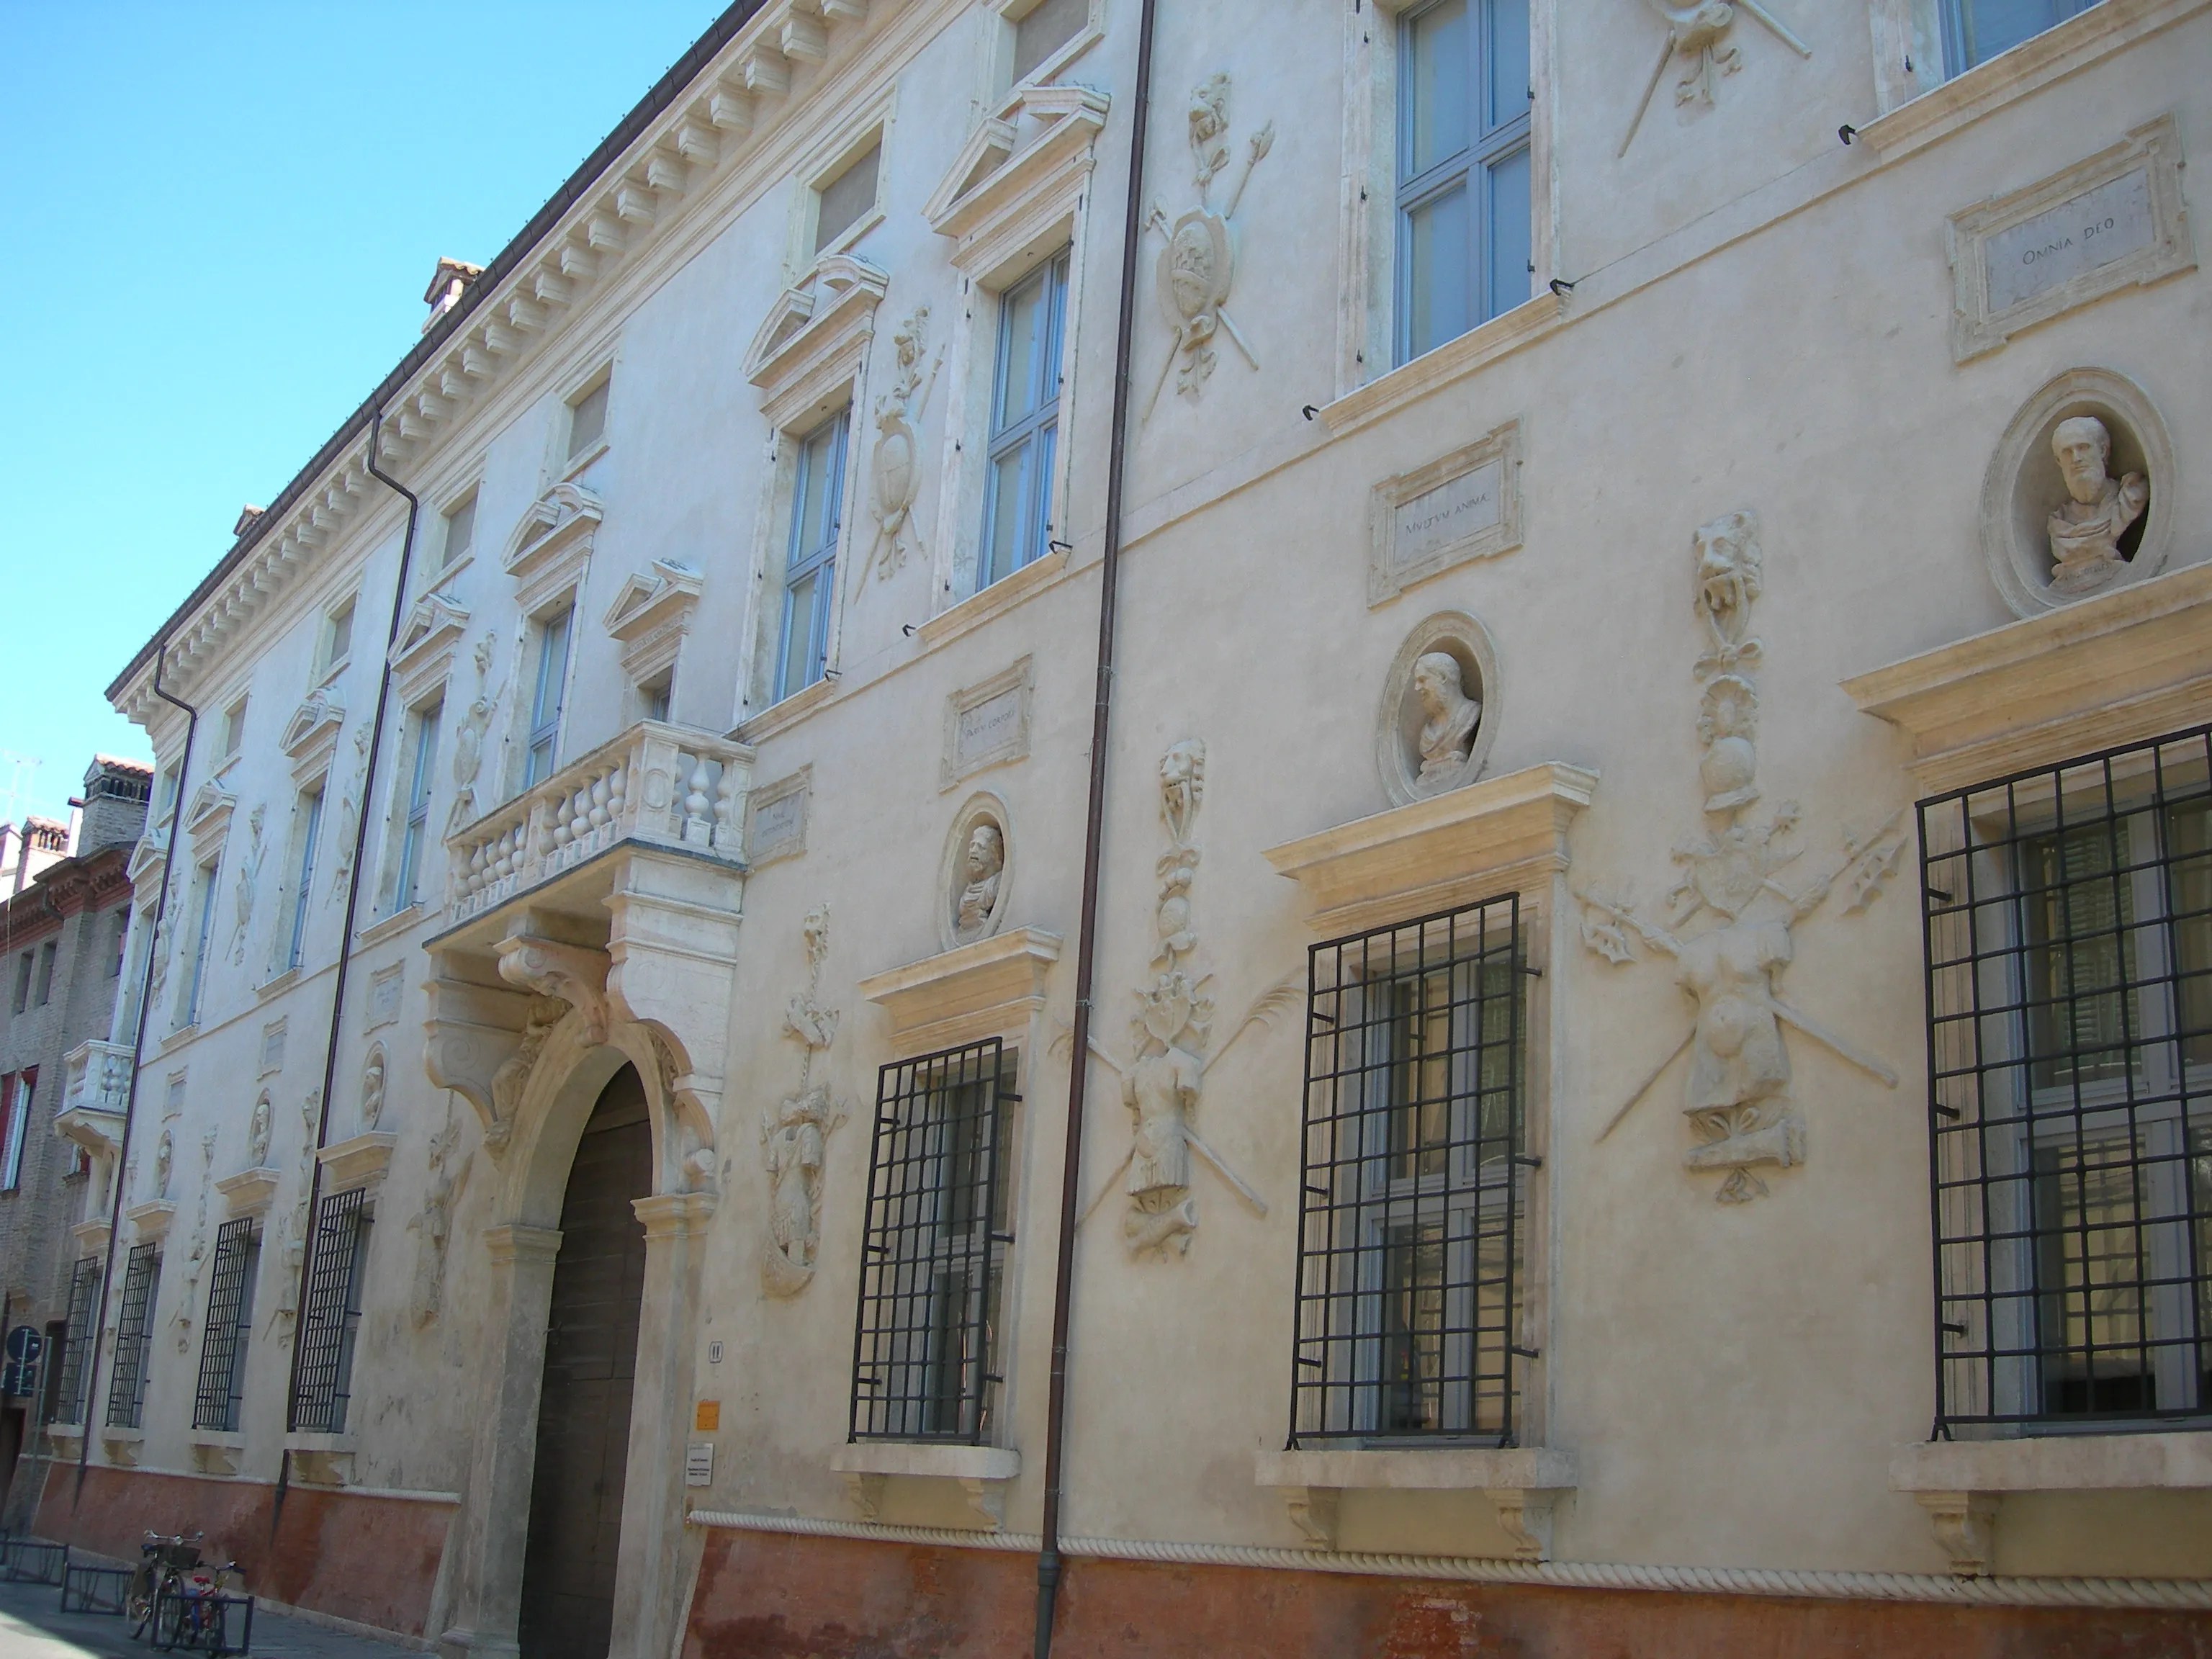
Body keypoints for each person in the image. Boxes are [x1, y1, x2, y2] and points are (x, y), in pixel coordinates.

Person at [2046, 415, 2148, 595]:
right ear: (2058, 461)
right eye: (2067, 452)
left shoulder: (2131, 496)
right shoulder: (2060, 523)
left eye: (2083, 448)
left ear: (2103, 451)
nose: (2076, 458)